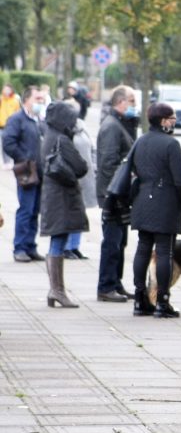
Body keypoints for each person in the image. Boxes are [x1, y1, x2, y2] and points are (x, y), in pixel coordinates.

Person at [130, 103, 181, 318]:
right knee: (165, 251)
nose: (174, 121)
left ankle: (140, 299)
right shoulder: (171, 144)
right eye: (172, 118)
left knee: (143, 248)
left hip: (142, 202)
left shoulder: (140, 141)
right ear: (164, 120)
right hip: (165, 203)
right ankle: (162, 302)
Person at [39, 102, 89, 308]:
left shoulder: (48, 136)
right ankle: (57, 290)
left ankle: (56, 290)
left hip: (52, 196)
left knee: (56, 240)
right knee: (59, 240)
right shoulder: (62, 140)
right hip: (63, 198)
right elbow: (81, 166)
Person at [96, 86, 138, 302]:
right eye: (132, 100)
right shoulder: (112, 126)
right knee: (112, 243)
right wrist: (115, 192)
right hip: (113, 195)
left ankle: (116, 282)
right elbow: (108, 164)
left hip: (120, 194)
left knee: (120, 242)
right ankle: (105, 286)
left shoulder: (121, 124)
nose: (134, 105)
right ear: (121, 101)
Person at [2, 85, 46, 262]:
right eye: (37, 99)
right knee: (25, 210)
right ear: (26, 100)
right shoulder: (17, 120)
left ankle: (30, 246)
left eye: (42, 99)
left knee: (35, 210)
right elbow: (8, 143)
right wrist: (25, 159)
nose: (40, 102)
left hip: (39, 172)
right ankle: (20, 247)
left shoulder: (37, 120)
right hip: (27, 172)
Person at [64, 115, 97, 260]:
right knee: (70, 214)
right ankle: (67, 247)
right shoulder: (64, 132)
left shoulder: (83, 129)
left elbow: (93, 150)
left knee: (80, 215)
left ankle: (74, 246)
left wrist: (94, 167)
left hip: (86, 177)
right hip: (73, 179)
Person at [0, 83, 21, 168]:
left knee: (12, 143)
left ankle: (11, 159)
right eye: (5, 89)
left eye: (8, 89)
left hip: (11, 125)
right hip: (2, 125)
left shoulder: (15, 101)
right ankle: (6, 161)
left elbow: (18, 112)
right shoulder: (1, 99)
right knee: (4, 143)